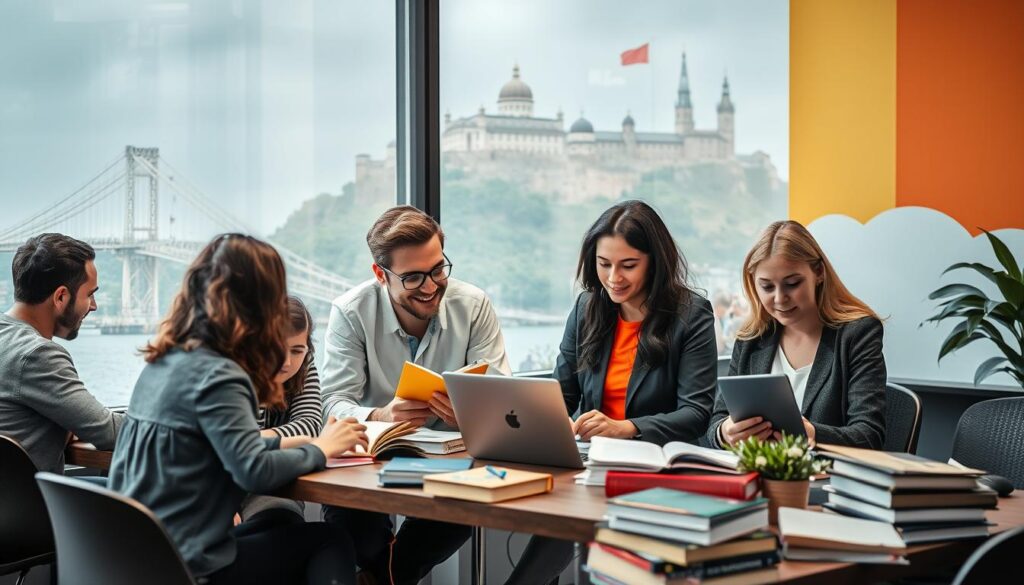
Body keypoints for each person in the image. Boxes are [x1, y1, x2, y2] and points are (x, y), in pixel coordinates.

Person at [108, 234, 368, 585]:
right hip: (186, 568)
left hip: (132, 557)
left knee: (278, 527)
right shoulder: (222, 375)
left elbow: (220, 445)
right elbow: (253, 471)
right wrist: (321, 449)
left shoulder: (165, 359)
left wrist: (302, 443)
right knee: (330, 541)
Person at [508, 200, 719, 584]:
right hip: (592, 464)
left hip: (657, 468)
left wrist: (627, 427)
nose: (613, 278)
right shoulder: (588, 306)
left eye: (628, 265)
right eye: (604, 264)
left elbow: (696, 413)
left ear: (655, 261)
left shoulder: (692, 314)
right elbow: (562, 393)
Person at [320, 205, 510, 585]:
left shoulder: (473, 305)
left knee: (462, 510)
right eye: (412, 277)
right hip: (372, 457)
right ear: (380, 274)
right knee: (349, 522)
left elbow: (503, 399)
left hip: (453, 458)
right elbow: (332, 402)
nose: (430, 286)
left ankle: (381, 578)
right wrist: (380, 416)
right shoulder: (350, 312)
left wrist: (470, 412)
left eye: (438, 269)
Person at [704, 220, 886, 450]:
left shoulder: (857, 334)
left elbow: (869, 435)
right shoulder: (752, 338)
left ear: (818, 272)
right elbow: (717, 423)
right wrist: (725, 433)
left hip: (827, 481)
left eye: (792, 284)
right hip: (756, 476)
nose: (780, 299)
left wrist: (814, 434)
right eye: (767, 287)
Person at [0, 233, 123, 473]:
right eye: (90, 294)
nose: (94, 305)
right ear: (60, 297)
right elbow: (110, 433)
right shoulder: (37, 354)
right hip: (34, 507)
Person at [235, 296, 325, 535]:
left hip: (266, 484)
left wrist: (250, 439)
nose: (286, 362)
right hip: (219, 483)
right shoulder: (232, 373)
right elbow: (231, 454)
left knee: (289, 526)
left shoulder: (304, 365)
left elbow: (309, 427)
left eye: (297, 350)